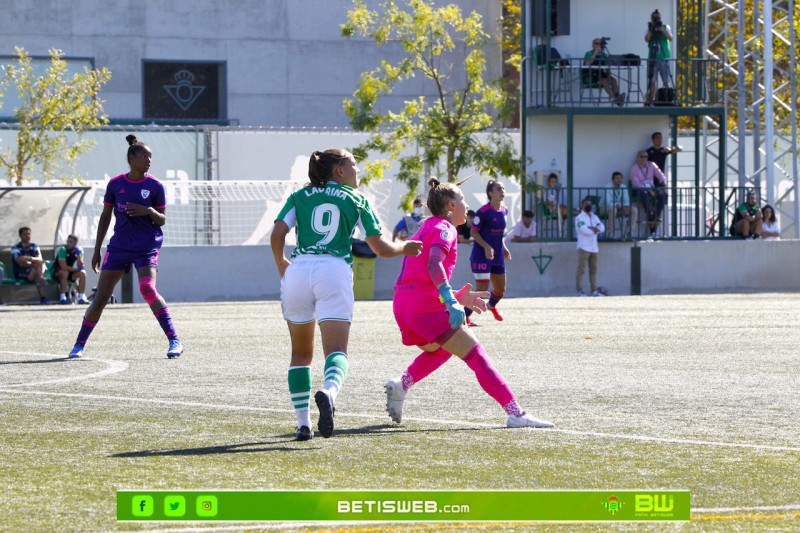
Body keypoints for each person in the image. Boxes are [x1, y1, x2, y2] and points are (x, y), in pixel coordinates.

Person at [271, 148, 422, 442]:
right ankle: (329, 391)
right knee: (337, 352)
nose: (358, 170)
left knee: (300, 354)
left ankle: (303, 424)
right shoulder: (357, 198)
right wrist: (407, 247)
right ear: (339, 170)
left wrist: (281, 263)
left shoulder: (301, 195)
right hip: (334, 270)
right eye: (353, 164)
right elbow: (380, 248)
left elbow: (278, 234)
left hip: (298, 270)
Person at [385, 177, 554, 429]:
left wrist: (454, 296)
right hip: (423, 306)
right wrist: (451, 303)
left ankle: (402, 385)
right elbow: (433, 264)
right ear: (451, 205)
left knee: (441, 349)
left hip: (403, 304)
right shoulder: (445, 227)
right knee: (476, 355)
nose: (466, 205)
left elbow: (420, 275)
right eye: (463, 200)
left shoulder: (425, 226)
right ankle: (516, 413)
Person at [67, 135, 183, 360]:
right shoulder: (116, 184)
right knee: (101, 297)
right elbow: (105, 217)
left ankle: (174, 340)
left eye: (151, 157)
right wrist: (98, 248)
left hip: (146, 245)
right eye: (145, 156)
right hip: (120, 246)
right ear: (132, 158)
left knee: (147, 288)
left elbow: (162, 220)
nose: (149, 160)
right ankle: (78, 345)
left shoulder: (155, 186)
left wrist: (148, 211)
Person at [468, 180, 511, 324]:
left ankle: (491, 305)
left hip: (497, 255)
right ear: (490, 193)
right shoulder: (483, 212)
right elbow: (473, 232)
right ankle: (465, 316)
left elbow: (499, 234)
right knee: (482, 288)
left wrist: (503, 247)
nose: (502, 191)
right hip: (481, 255)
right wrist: (486, 247)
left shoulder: (504, 210)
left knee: (500, 289)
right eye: (498, 189)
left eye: (503, 188)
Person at [630, 150, 667, 237]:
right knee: (644, 194)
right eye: (641, 156)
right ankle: (650, 213)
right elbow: (636, 184)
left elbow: (660, 175)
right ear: (637, 158)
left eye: (645, 156)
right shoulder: (634, 168)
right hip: (639, 189)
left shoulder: (651, 165)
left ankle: (654, 216)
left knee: (663, 194)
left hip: (651, 187)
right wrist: (649, 190)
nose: (643, 158)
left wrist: (663, 183)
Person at [575, 196, 606, 297]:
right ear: (582, 206)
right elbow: (584, 230)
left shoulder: (594, 216)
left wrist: (595, 229)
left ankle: (594, 290)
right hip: (584, 247)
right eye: (586, 204)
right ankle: (580, 290)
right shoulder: (579, 218)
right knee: (581, 269)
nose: (588, 206)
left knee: (593, 269)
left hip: (594, 247)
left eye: (589, 204)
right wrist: (595, 230)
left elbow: (602, 227)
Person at [583, 38, 626, 106]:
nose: (599, 45)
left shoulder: (604, 55)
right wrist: (595, 52)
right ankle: (617, 99)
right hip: (591, 75)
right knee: (604, 81)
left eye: (601, 44)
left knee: (613, 80)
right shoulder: (588, 53)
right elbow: (587, 64)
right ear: (593, 45)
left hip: (602, 74)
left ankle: (617, 99)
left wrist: (609, 74)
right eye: (597, 44)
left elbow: (609, 66)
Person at [11, 226, 49, 304]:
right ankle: (41, 281)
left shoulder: (34, 246)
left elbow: (40, 258)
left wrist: (28, 259)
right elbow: (19, 261)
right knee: (39, 268)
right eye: (25, 234)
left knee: (39, 267)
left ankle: (43, 297)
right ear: (20, 236)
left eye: (29, 234)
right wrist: (33, 261)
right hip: (21, 271)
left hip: (33, 271)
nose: (27, 236)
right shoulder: (16, 247)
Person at [645, 9, 674, 103]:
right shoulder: (649, 27)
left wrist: (662, 29)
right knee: (653, 80)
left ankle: (666, 98)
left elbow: (670, 38)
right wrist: (651, 29)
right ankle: (652, 99)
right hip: (653, 57)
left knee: (666, 80)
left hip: (663, 57)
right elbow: (647, 39)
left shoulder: (666, 27)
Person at [51, 234, 89, 304]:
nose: (68, 244)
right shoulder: (63, 250)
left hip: (69, 272)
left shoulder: (79, 250)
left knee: (83, 273)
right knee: (65, 272)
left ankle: (81, 297)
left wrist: (78, 255)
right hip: (58, 272)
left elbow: (80, 266)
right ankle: (63, 297)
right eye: (68, 241)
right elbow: (63, 267)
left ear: (75, 243)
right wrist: (76, 270)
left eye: (71, 242)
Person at [601, 171, 631, 238]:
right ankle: (610, 233)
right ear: (613, 179)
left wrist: (624, 206)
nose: (619, 180)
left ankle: (630, 233)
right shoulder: (607, 187)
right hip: (604, 207)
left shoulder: (624, 187)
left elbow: (626, 201)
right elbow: (607, 202)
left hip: (619, 207)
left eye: (620, 178)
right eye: (617, 178)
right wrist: (617, 205)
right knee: (613, 209)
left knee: (634, 210)